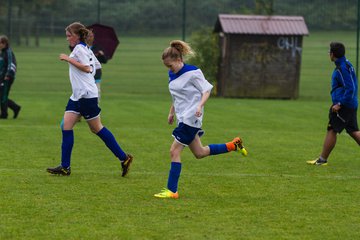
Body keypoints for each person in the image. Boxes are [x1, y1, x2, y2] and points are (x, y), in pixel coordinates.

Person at [154, 40, 248, 199]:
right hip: (182, 118)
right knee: (200, 152)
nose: (169, 69)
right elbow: (177, 97)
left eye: (170, 65)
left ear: (179, 59)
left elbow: (206, 90)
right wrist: (171, 112)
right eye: (167, 66)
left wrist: (199, 106)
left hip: (191, 118)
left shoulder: (193, 72)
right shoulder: (173, 73)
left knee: (174, 151)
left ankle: (172, 191)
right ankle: (234, 145)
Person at [46, 22, 133, 176]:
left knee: (97, 128)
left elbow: (87, 68)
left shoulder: (80, 49)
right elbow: (94, 67)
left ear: (77, 35)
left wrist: (68, 59)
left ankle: (124, 158)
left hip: (86, 96)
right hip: (78, 95)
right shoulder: (86, 49)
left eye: (69, 36)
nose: (67, 39)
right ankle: (65, 167)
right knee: (66, 126)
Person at [307, 42, 360, 166]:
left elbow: (351, 88)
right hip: (350, 104)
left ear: (333, 54)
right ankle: (322, 159)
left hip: (344, 105)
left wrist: (340, 104)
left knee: (332, 129)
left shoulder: (342, 68)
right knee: (354, 131)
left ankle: (322, 160)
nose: (328, 54)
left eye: (329, 52)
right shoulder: (345, 64)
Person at [0, 35, 21, 119]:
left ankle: (4, 115)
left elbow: (11, 64)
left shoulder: (8, 52)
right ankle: (15, 107)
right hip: (2, 78)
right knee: (1, 95)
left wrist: (8, 75)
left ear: (4, 43)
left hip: (7, 78)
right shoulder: (2, 52)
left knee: (3, 96)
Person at [87, 29, 108, 100]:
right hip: (86, 74)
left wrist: (102, 55)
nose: (90, 38)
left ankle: (96, 109)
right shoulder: (82, 47)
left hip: (96, 74)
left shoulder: (98, 47)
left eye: (92, 36)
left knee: (96, 93)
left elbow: (104, 61)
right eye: (88, 36)